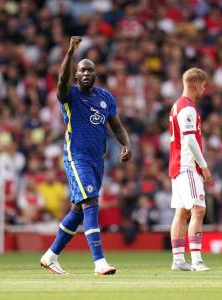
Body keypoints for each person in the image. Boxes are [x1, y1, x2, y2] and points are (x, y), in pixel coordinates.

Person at [40, 36, 132, 275]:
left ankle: (50, 256)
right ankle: (99, 262)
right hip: (76, 156)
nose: (86, 74)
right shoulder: (69, 94)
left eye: (90, 70)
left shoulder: (105, 98)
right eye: (82, 70)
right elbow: (61, 79)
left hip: (96, 160)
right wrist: (70, 52)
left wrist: (126, 144)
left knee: (78, 210)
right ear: (77, 74)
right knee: (91, 203)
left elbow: (117, 125)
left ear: (96, 73)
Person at [169, 68, 212, 272]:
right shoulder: (187, 108)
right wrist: (203, 167)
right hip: (187, 166)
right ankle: (197, 261)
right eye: (203, 85)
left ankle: (178, 260)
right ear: (195, 84)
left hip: (177, 166)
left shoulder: (178, 105)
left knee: (182, 211)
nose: (204, 89)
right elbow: (190, 140)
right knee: (198, 209)